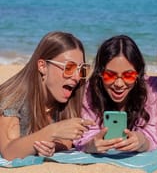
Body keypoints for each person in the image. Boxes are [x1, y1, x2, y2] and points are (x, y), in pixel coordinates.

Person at [0, 31, 94, 160]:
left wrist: (53, 146)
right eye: (69, 67)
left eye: (81, 69)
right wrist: (52, 131)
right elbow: (9, 152)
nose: (77, 77)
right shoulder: (13, 97)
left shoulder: (69, 97)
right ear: (43, 66)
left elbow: (67, 140)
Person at [74, 34, 157, 153]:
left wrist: (141, 141)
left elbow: (152, 133)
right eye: (110, 75)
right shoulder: (89, 91)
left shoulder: (151, 89)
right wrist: (91, 145)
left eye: (128, 75)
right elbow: (85, 136)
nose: (119, 84)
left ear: (138, 74)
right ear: (100, 73)